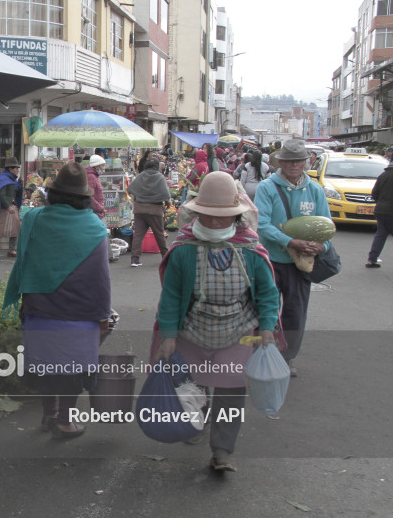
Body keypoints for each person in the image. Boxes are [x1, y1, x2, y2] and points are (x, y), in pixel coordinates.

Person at [155, 171, 280, 472]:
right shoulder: (183, 249)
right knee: (193, 387)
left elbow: (266, 293)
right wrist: (169, 335)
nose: (213, 222)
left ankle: (222, 450)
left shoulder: (250, 249)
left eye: (221, 217)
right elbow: (171, 296)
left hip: (237, 330)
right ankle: (197, 419)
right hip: (192, 328)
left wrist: (266, 327)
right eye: (207, 216)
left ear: (236, 217)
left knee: (231, 391)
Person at [3, 162, 110, 440]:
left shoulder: (35, 218)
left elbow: (24, 261)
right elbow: (100, 278)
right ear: (84, 197)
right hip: (80, 311)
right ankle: (65, 422)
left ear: (54, 194)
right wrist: (102, 316)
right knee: (73, 371)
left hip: (39, 306)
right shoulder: (95, 227)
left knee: (45, 365)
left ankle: (48, 413)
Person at [254, 139, 332, 377]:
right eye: (289, 161)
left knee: (296, 313)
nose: (294, 165)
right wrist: (290, 242)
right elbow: (262, 224)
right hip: (270, 259)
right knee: (264, 308)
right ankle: (261, 351)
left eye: (299, 161)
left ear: (306, 162)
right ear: (281, 162)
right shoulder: (267, 187)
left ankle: (287, 357)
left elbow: (327, 227)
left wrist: (322, 247)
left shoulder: (315, 190)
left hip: (300, 265)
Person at [127, 157, 170, 266]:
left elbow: (131, 189)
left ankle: (134, 259)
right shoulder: (160, 177)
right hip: (154, 210)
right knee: (159, 234)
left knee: (138, 235)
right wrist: (167, 203)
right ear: (157, 166)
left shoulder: (141, 175)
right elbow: (166, 194)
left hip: (139, 209)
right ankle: (166, 257)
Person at [0, 157, 23, 257]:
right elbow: (1, 195)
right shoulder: (3, 179)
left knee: (16, 227)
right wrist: (8, 206)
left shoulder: (12, 179)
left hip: (12, 208)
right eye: (16, 168)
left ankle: (11, 249)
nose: (18, 170)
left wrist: (20, 183)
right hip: (4, 208)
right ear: (10, 169)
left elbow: (15, 191)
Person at [366, 157, 393, 268]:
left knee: (380, 235)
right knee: (381, 235)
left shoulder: (383, 175)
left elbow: (374, 193)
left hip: (380, 210)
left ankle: (371, 260)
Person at [85, 154, 106, 220]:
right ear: (97, 166)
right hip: (94, 212)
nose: (103, 168)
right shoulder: (91, 176)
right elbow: (89, 196)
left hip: (95, 212)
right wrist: (100, 208)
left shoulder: (94, 176)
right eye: (102, 165)